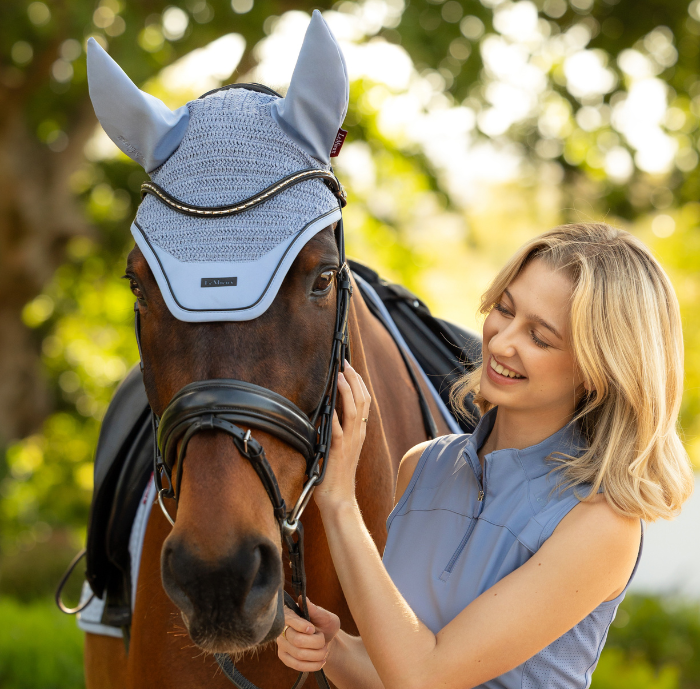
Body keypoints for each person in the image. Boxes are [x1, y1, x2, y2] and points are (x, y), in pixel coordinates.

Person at [276, 222, 694, 689]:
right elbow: (395, 670)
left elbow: (423, 678)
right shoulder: (422, 466)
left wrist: (338, 501)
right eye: (505, 310)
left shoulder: (600, 521)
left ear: (598, 370)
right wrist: (334, 649)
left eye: (540, 337)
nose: (499, 342)